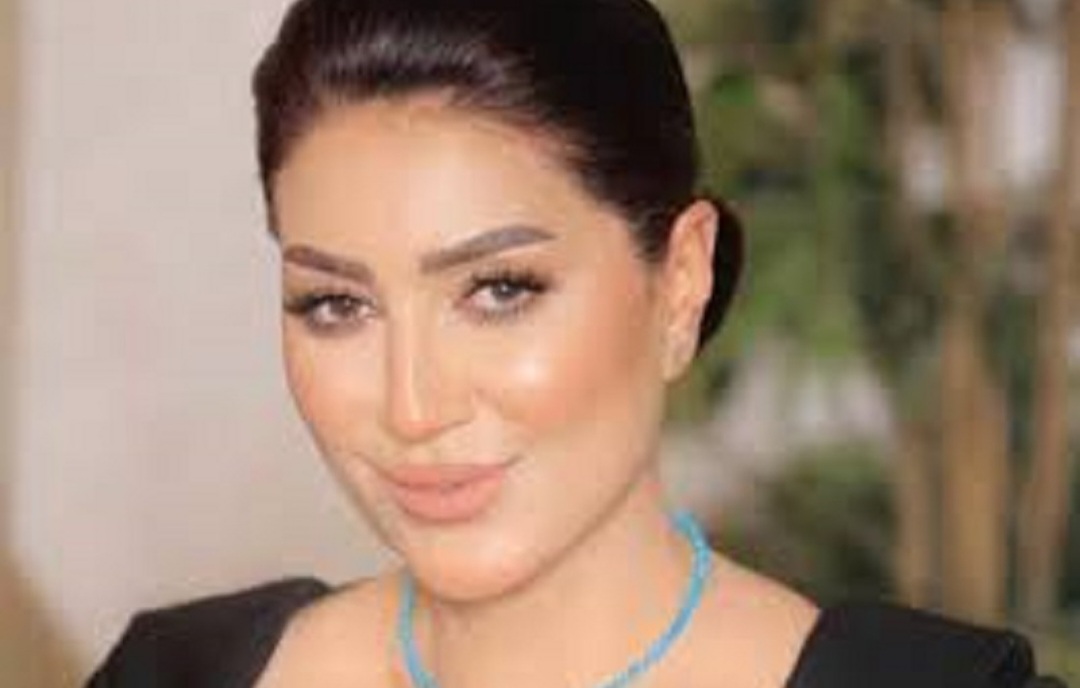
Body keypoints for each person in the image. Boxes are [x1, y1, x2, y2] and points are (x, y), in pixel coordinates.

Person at [87, 0, 1064, 686]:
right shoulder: (174, 674)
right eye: (336, 304)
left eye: (499, 290)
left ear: (681, 282)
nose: (414, 407)